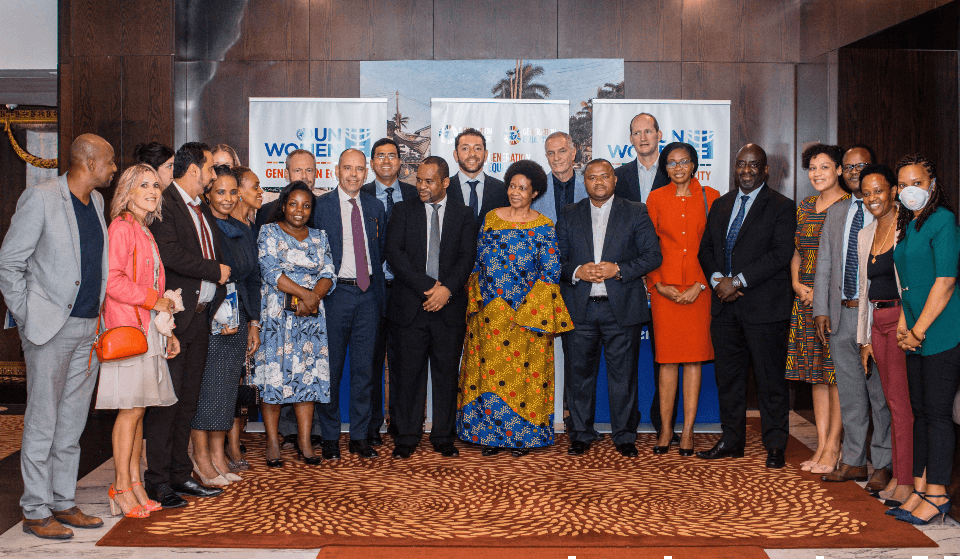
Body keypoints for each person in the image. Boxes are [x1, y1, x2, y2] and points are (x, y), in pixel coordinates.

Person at [0, 134, 113, 539]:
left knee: (71, 423)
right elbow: (9, 264)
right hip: (49, 329)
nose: (113, 168)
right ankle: (34, 509)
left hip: (88, 328)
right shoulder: (42, 198)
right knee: (43, 422)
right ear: (87, 161)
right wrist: (30, 316)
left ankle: (63, 501)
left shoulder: (96, 203)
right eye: (109, 161)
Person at [459, 159, 574, 457]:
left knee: (524, 380)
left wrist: (525, 308)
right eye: (512, 186)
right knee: (489, 377)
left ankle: (523, 438)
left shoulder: (544, 226)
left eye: (523, 188)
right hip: (489, 317)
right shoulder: (491, 219)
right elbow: (475, 264)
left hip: (527, 318)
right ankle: (489, 436)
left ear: (535, 192)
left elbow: (550, 273)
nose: (515, 192)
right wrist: (477, 303)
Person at [697, 143, 795, 469]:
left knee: (770, 381)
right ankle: (731, 440)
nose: (747, 170)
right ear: (735, 167)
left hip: (765, 308)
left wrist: (736, 281)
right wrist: (717, 281)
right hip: (725, 309)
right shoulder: (722, 204)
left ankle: (776, 445)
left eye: (754, 165)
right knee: (729, 379)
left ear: (765, 170)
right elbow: (706, 249)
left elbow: (780, 255)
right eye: (741, 164)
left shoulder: (781, 206)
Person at [556, 159, 662, 458]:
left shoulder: (636, 211)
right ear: (584, 181)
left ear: (615, 180)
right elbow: (556, 261)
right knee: (578, 376)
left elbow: (653, 255)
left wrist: (620, 269)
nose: (598, 181)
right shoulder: (569, 214)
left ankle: (625, 435)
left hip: (622, 308)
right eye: (592, 177)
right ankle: (580, 433)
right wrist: (577, 271)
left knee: (624, 377)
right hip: (581, 308)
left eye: (605, 176)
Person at [144, 142, 229, 509]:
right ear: (194, 169)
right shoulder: (167, 203)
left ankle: (180, 474)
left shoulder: (198, 208)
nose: (213, 176)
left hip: (199, 319)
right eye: (210, 169)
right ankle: (158, 481)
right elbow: (172, 255)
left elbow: (212, 252)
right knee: (168, 403)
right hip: (176, 322)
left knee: (188, 402)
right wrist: (214, 271)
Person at [97, 164, 180, 518]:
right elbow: (112, 282)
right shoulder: (121, 228)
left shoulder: (144, 230)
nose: (152, 190)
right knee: (129, 411)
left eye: (156, 186)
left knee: (139, 410)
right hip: (127, 329)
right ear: (127, 191)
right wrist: (152, 300)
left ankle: (134, 483)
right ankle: (120, 485)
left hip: (148, 330)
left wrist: (168, 330)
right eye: (143, 185)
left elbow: (156, 292)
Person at [386, 156, 477, 459]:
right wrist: (429, 287)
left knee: (446, 374)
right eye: (419, 180)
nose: (421, 186)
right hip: (410, 306)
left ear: (445, 182)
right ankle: (407, 436)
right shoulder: (402, 210)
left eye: (429, 181)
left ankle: (443, 435)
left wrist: (446, 290)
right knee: (408, 374)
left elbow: (467, 257)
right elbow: (394, 254)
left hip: (448, 309)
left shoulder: (464, 214)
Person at [813, 146, 892, 488]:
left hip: (875, 314)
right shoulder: (837, 212)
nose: (853, 171)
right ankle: (855, 460)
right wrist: (820, 310)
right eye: (847, 167)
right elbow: (825, 264)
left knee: (880, 393)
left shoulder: (885, 211)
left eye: (860, 166)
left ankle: (883, 462)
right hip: (840, 315)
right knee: (850, 393)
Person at [889, 154, 960, 525]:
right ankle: (918, 488)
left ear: (931, 185)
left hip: (943, 332)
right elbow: (909, 284)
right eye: (902, 184)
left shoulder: (944, 221)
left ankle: (937, 494)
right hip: (915, 332)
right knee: (919, 414)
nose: (909, 190)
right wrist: (905, 323)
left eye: (916, 183)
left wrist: (918, 330)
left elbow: (945, 282)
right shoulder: (910, 225)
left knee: (936, 415)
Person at [253, 181, 336, 467]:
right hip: (277, 318)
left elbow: (329, 273)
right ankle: (273, 441)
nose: (299, 210)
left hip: (310, 322)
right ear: (283, 205)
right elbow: (270, 271)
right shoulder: (269, 232)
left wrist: (313, 299)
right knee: (273, 378)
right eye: (293, 204)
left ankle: (304, 441)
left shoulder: (320, 236)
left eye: (306, 205)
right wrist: (306, 295)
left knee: (307, 378)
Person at [645, 142, 719, 455]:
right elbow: (647, 245)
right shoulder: (655, 198)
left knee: (693, 360)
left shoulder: (711, 196)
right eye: (672, 163)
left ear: (694, 164)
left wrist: (702, 284)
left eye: (684, 161)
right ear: (665, 168)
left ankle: (687, 431)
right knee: (667, 360)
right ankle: (665, 429)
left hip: (699, 291)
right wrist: (657, 283)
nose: (678, 168)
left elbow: (717, 246)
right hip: (665, 292)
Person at [312, 149, 387, 460]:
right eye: (348, 168)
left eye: (359, 169)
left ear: (366, 172)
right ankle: (329, 437)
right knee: (330, 369)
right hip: (334, 296)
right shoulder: (321, 206)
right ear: (336, 171)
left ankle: (359, 436)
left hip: (369, 295)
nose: (354, 174)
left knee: (364, 370)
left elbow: (379, 251)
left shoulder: (375, 206)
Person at [189, 165, 261, 483]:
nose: (229, 198)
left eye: (234, 192)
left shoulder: (242, 228)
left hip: (237, 316)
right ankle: (201, 457)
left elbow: (253, 277)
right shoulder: (201, 226)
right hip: (207, 316)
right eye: (221, 192)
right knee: (205, 389)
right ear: (208, 193)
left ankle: (219, 455)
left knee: (226, 390)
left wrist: (254, 322)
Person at [785, 144, 850, 475]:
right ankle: (821, 442)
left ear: (839, 169)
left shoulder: (850, 205)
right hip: (804, 299)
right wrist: (798, 285)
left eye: (824, 167)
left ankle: (834, 446)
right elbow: (797, 252)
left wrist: (822, 294)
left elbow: (847, 260)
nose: (817, 174)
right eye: (812, 167)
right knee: (815, 375)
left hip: (834, 302)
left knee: (837, 374)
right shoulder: (805, 206)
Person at [613, 112, 674, 443]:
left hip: (667, 276)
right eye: (636, 133)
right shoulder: (618, 176)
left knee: (665, 356)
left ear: (659, 134)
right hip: (630, 277)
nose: (643, 137)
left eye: (648, 131)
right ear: (631, 139)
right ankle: (628, 423)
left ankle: (664, 422)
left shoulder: (675, 172)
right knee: (627, 358)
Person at [855, 164, 914, 506]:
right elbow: (865, 290)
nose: (873, 198)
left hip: (902, 320)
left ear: (893, 191)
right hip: (877, 320)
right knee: (892, 404)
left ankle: (906, 480)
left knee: (902, 406)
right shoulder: (867, 233)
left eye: (879, 190)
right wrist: (864, 338)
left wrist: (907, 322)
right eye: (866, 192)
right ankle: (899, 476)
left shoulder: (906, 230)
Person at [361, 138, 417, 445]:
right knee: (369, 360)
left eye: (392, 156)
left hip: (406, 291)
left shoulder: (413, 194)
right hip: (370, 289)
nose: (386, 161)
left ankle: (400, 423)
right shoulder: (361, 194)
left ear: (400, 162)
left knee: (403, 361)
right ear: (372, 163)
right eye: (380, 156)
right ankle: (370, 425)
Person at [225, 165, 263, 469]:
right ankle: (226, 449)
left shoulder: (248, 227)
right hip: (225, 318)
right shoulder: (222, 228)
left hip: (246, 316)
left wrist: (254, 321)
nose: (260, 192)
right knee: (226, 384)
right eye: (254, 186)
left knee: (240, 385)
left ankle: (234, 444)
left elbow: (253, 280)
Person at [445, 128, 509, 221]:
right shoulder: (444, 189)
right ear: (456, 155)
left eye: (478, 148)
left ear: (485, 154)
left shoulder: (502, 190)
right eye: (465, 148)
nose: (472, 154)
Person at [255, 149, 318, 229]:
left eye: (309, 170)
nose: (304, 176)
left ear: (315, 174)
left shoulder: (325, 209)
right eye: (297, 170)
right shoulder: (266, 211)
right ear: (287, 174)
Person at [535, 131, 588, 223]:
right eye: (551, 153)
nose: (556, 158)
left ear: (573, 153)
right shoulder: (535, 189)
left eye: (562, 151)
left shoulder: (588, 186)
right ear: (547, 157)